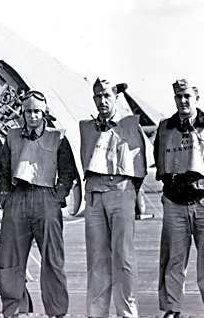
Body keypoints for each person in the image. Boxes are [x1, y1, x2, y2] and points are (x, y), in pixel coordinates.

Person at [155, 79, 204, 318]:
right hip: (175, 201)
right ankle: (172, 308)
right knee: (173, 259)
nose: (182, 101)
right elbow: (159, 158)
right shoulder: (165, 127)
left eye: (187, 96)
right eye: (178, 96)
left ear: (196, 98)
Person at [0, 90, 77, 318]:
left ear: (44, 113)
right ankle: (14, 310)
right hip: (18, 199)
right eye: (28, 112)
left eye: (37, 112)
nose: (32, 116)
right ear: (22, 114)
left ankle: (57, 311)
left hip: (46, 201)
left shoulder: (58, 137)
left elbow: (68, 172)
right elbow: (4, 170)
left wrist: (57, 197)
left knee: (53, 259)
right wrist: (6, 197)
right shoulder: (12, 136)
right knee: (11, 259)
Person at [79, 78, 147, 318]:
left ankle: (127, 313)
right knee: (96, 258)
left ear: (115, 97)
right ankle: (97, 313)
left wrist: (130, 196)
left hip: (121, 192)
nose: (102, 101)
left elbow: (141, 166)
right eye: (98, 96)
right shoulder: (87, 127)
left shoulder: (129, 125)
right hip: (95, 196)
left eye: (107, 95)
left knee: (123, 256)